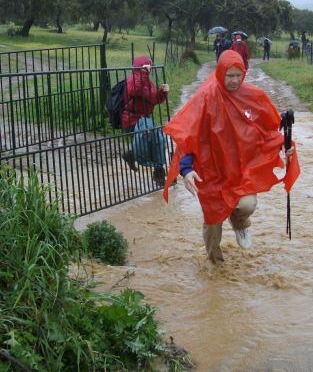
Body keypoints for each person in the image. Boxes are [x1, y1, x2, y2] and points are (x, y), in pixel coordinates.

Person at [162, 50, 300, 264]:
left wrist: (284, 145)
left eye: (238, 75)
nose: (234, 80)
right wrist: (187, 169)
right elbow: (190, 136)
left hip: (240, 172)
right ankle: (216, 268)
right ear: (220, 73)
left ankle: (240, 226)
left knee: (246, 205)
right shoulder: (206, 98)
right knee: (213, 222)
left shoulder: (253, 96)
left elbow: (264, 130)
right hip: (210, 173)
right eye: (229, 75)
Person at [121, 55, 170, 186]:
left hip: (145, 119)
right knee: (149, 139)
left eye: (150, 67)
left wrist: (162, 93)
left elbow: (153, 99)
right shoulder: (132, 79)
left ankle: (156, 170)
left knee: (159, 140)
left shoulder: (147, 81)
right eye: (147, 66)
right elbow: (134, 91)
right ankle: (156, 171)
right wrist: (142, 74)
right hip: (132, 120)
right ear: (140, 68)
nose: (150, 69)